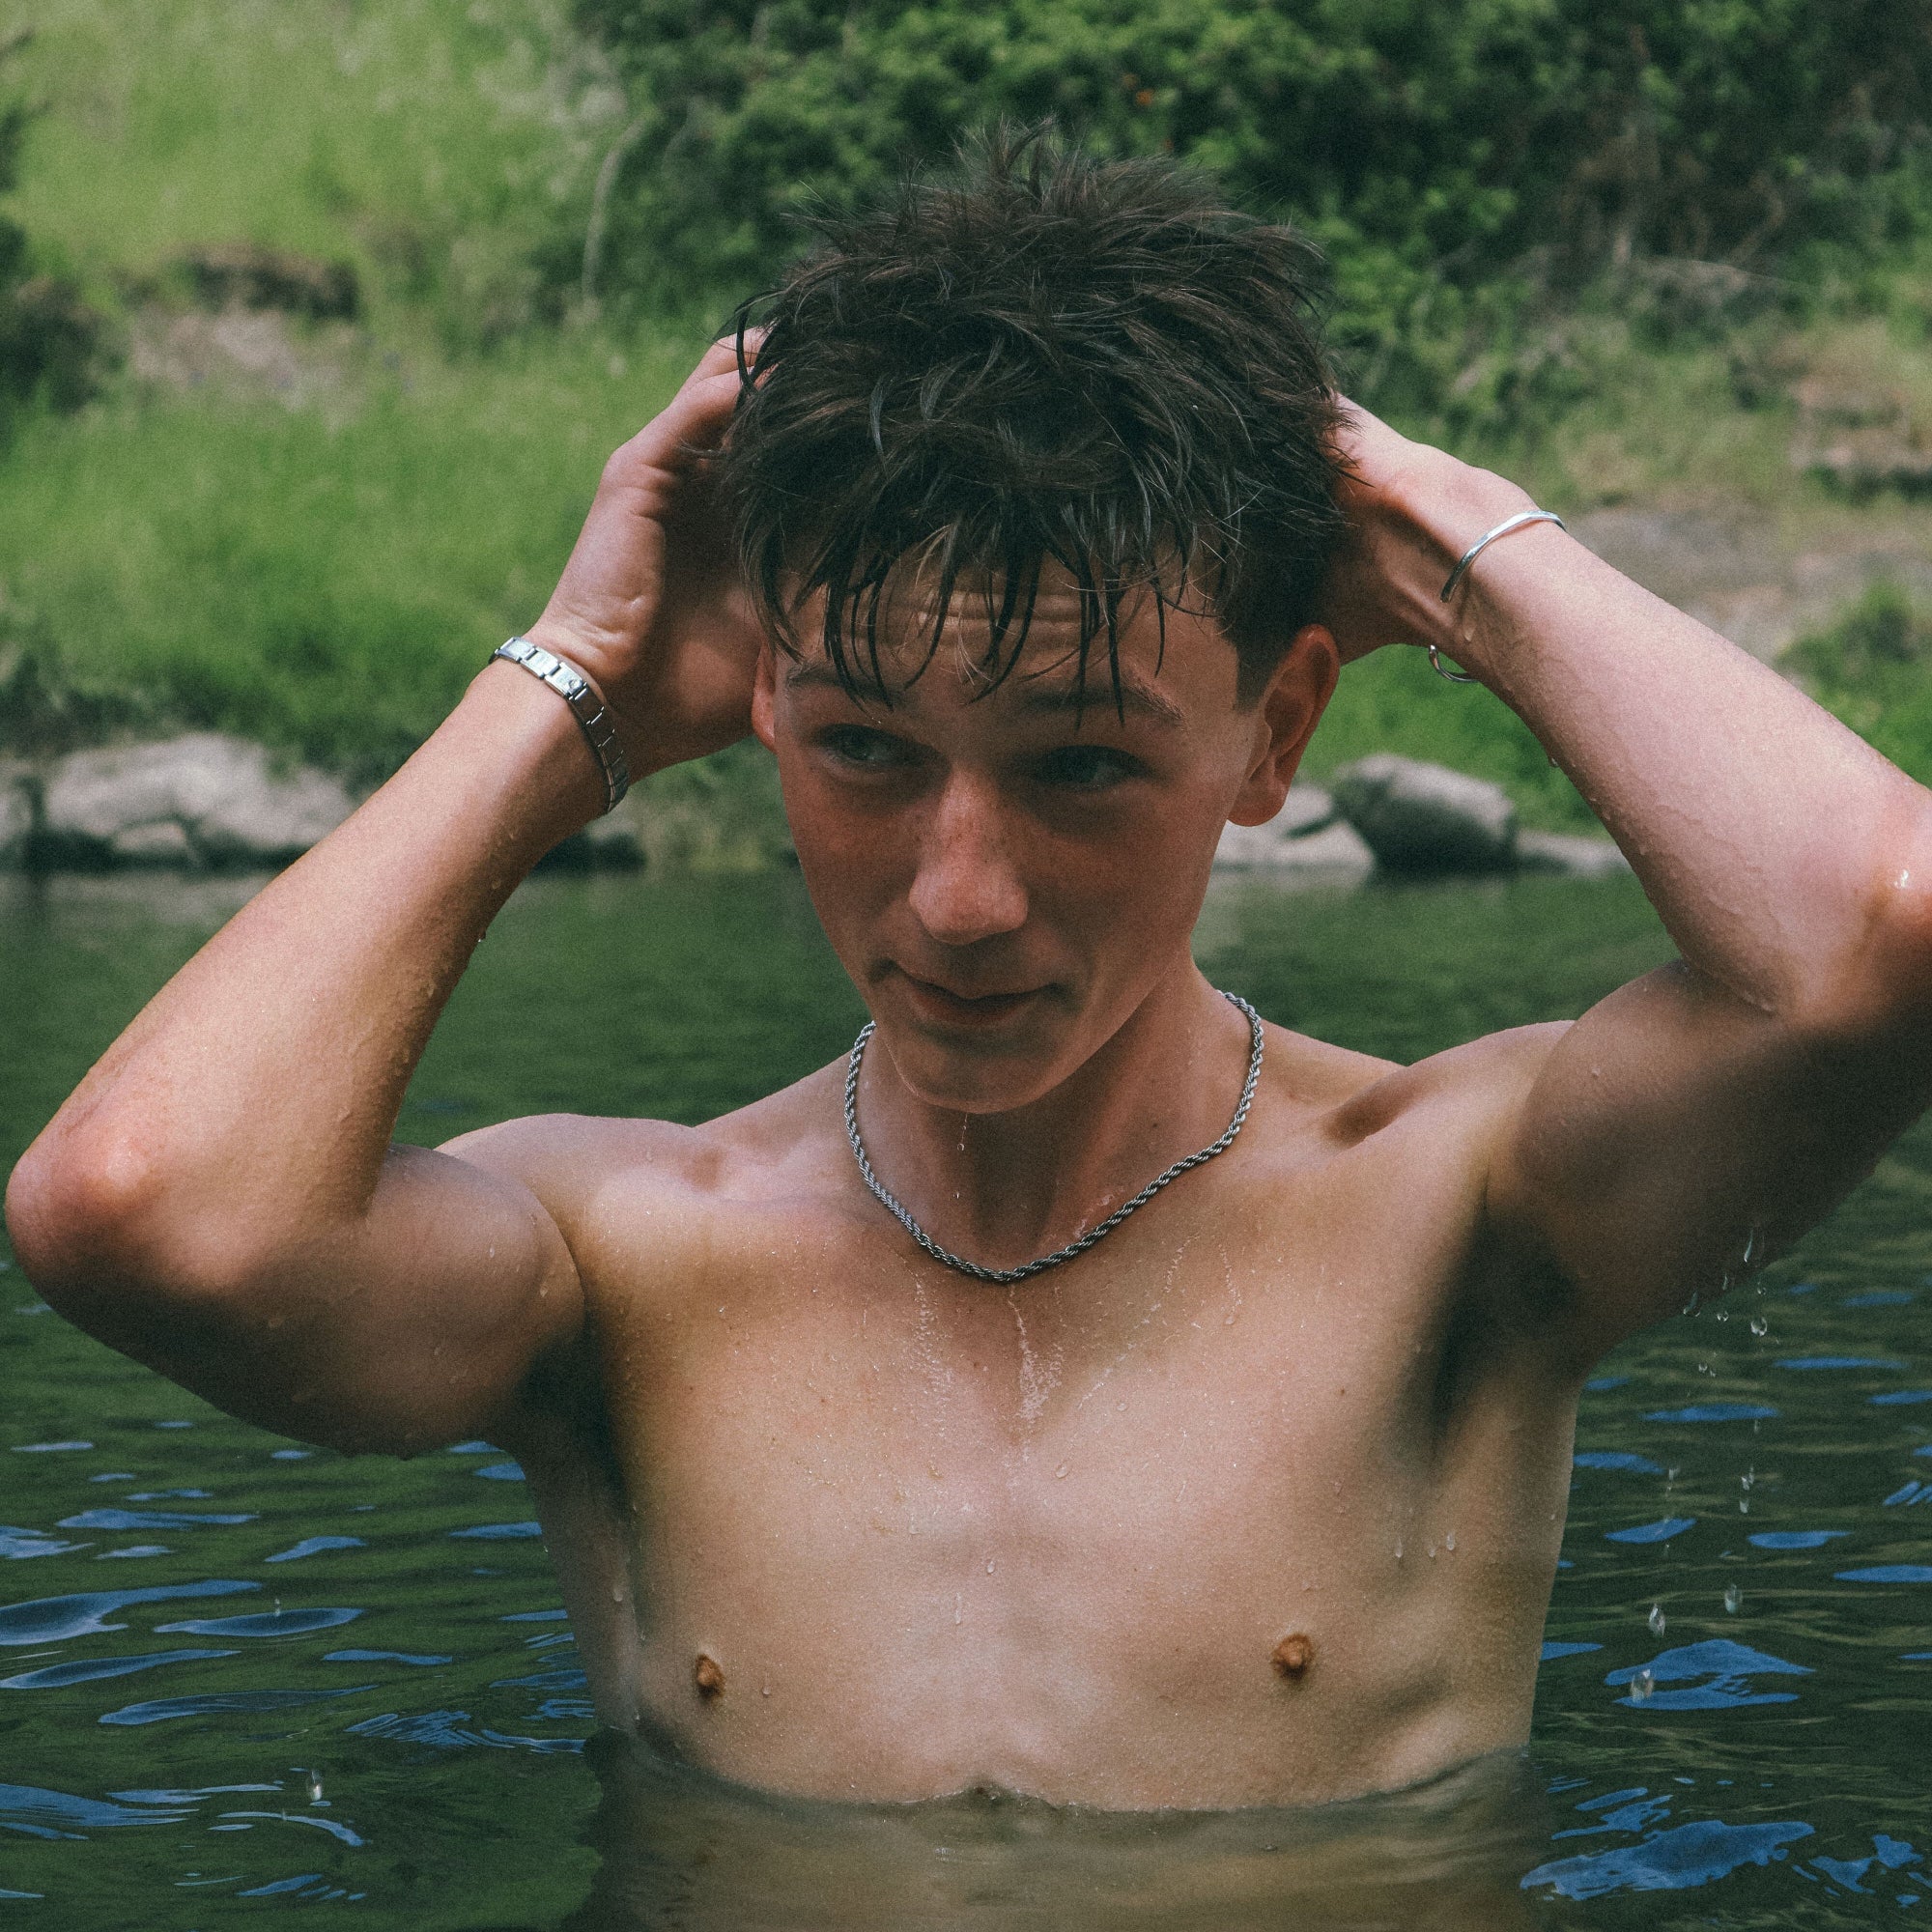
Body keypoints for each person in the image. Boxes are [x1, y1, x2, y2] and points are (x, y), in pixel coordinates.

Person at [10, 137, 1932, 1818]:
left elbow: (1882, 930)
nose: (955, 899)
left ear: (1272, 735)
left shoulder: (1454, 1214)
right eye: (863, 748)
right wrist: (574, 681)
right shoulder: (625, 1264)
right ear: (767, 705)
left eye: (1080, 765)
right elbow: (142, 1211)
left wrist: (1426, 527)